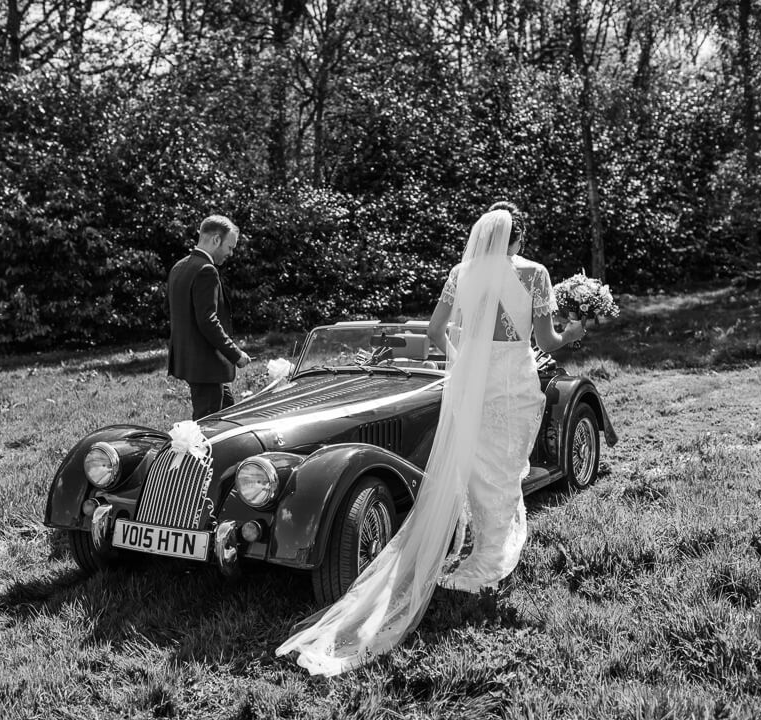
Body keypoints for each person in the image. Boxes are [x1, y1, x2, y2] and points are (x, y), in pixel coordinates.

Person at [276, 209, 585, 675]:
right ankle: (487, 558)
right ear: (517, 239)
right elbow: (547, 339)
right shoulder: (535, 274)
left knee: (472, 462)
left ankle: (482, 551)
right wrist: (574, 334)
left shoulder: (462, 273)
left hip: (470, 386)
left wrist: (465, 364)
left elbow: (438, 333)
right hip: (512, 385)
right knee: (504, 466)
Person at [167, 215, 252, 421]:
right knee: (208, 427)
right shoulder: (207, 270)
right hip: (205, 364)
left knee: (228, 413)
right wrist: (235, 354)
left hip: (189, 360)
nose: (230, 253)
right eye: (230, 247)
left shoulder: (179, 266)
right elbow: (208, 320)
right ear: (216, 240)